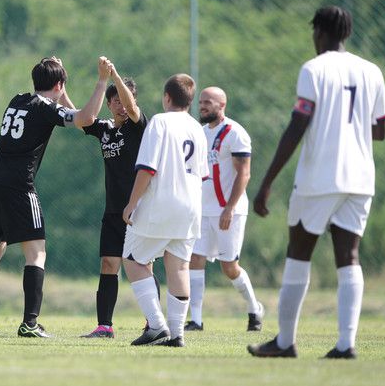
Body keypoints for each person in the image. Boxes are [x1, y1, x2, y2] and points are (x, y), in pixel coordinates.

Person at [248, 6, 385, 359]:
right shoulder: (371, 70)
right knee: (349, 257)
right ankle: (346, 345)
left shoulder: (314, 69)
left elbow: (298, 124)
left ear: (320, 32)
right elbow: (380, 130)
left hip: (320, 177)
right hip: (360, 179)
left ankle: (285, 342)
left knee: (298, 253)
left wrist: (267, 181)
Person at [0, 56, 111, 338]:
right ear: (58, 85)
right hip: (19, 186)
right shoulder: (45, 108)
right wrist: (101, 81)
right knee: (37, 253)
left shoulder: (18, 100)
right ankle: (30, 323)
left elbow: (70, 112)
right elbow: (85, 119)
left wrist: (59, 82)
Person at [122, 73, 208, 347]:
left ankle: (158, 325)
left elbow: (148, 169)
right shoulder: (197, 128)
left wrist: (132, 203)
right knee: (179, 267)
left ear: (167, 97)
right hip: (190, 207)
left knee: (132, 259)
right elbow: (202, 174)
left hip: (161, 204)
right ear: (190, 101)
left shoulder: (160, 121)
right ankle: (178, 334)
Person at [184, 87, 263, 332]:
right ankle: (196, 320)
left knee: (229, 267)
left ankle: (254, 309)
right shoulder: (200, 133)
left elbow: (244, 173)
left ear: (222, 104)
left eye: (208, 102)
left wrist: (229, 208)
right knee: (195, 260)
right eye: (200, 102)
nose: (202, 106)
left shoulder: (235, 133)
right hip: (203, 210)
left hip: (229, 211)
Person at [80, 69, 149, 338]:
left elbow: (132, 109)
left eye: (125, 99)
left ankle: (153, 323)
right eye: (116, 100)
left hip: (137, 209)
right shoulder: (106, 129)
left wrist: (115, 76)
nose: (121, 106)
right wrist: (59, 91)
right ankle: (105, 326)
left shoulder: (137, 126)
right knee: (109, 264)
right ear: (108, 104)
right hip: (112, 211)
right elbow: (81, 118)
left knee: (143, 266)